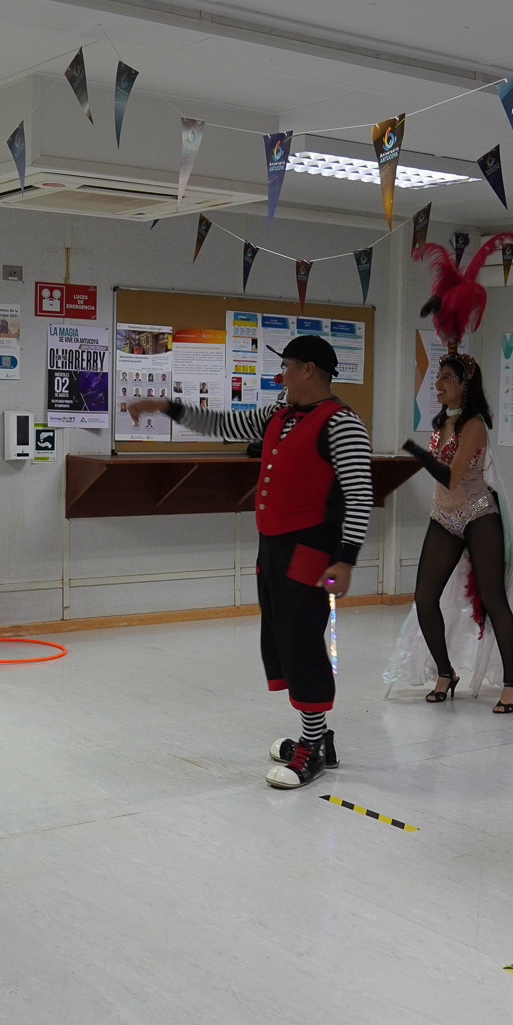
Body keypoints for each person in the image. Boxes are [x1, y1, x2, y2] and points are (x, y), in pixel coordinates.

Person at [126, 334, 372, 790]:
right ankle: (318, 736)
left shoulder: (342, 424)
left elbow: (359, 495)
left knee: (301, 643)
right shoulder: (277, 414)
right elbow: (223, 422)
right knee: (281, 643)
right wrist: (164, 406)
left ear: (309, 370)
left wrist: (347, 560)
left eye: (287, 367)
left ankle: (313, 746)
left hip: (312, 551)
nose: (281, 376)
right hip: (273, 548)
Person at [390, 351, 513, 711]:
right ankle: (445, 672)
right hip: (444, 516)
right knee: (425, 597)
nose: (438, 384)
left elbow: (452, 476)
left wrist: (415, 451)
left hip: (478, 514)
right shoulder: (443, 421)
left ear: (464, 385)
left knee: (493, 598)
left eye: (446, 378)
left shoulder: (474, 425)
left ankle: (512, 681)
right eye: (438, 377)